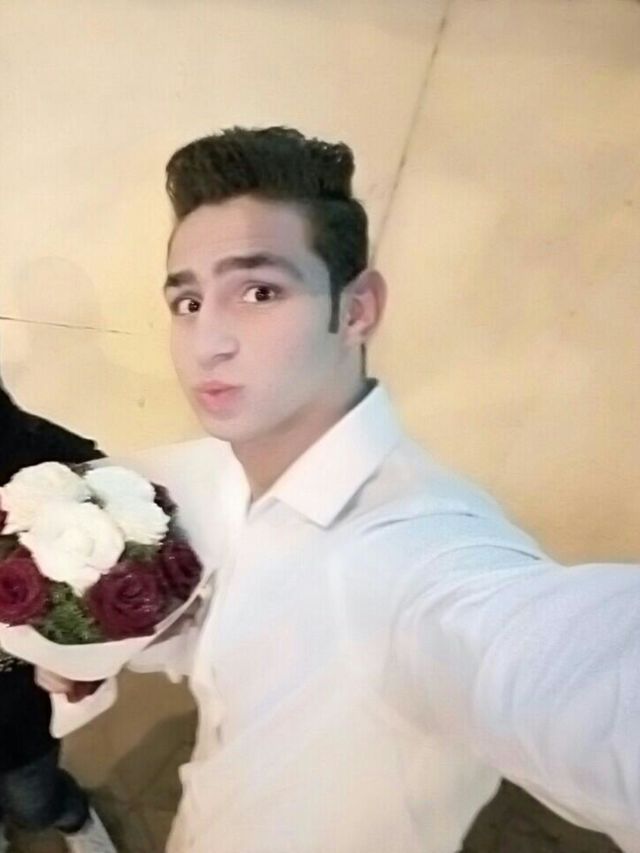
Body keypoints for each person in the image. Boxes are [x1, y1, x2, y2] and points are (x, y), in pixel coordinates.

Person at [39, 127, 640, 853]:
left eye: (259, 291)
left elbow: (571, 676)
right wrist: (119, 639)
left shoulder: (418, 559)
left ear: (356, 310)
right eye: (188, 302)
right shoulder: (208, 474)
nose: (207, 343)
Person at [0, 381, 116, 852]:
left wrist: (82, 636)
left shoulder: (27, 452)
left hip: (17, 704)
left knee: (34, 802)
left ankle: (72, 816)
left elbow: (113, 497)